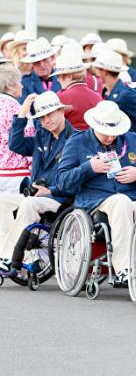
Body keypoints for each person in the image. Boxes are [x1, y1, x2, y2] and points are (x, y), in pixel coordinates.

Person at [56, 100, 136, 283]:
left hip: (132, 196)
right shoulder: (77, 142)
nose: (110, 138)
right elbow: (62, 182)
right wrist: (88, 167)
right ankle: (124, 267)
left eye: (114, 133)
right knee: (120, 201)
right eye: (106, 133)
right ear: (95, 125)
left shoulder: (132, 139)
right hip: (95, 201)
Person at [0, 92, 73, 273]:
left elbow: (75, 180)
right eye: (41, 117)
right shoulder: (42, 135)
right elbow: (15, 144)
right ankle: (6, 252)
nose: (46, 120)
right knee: (2, 201)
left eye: (49, 114)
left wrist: (50, 190)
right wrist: (23, 112)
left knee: (29, 203)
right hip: (35, 196)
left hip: (59, 198)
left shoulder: (76, 139)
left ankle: (9, 257)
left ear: (61, 111)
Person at [91, 50, 136, 137]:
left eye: (98, 69)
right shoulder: (106, 92)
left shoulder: (126, 94)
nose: (96, 74)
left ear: (104, 71)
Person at [0, 65, 33, 193]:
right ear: (9, 85)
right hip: (16, 175)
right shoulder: (19, 110)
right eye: (19, 82)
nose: (22, 86)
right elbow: (28, 143)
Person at [54, 53, 102, 130]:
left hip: (68, 141)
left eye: (58, 76)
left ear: (69, 76)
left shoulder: (60, 97)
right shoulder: (97, 96)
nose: (57, 80)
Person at [19, 37, 61, 101]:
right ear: (32, 63)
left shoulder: (63, 78)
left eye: (44, 60)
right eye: (37, 62)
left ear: (52, 58)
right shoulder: (25, 83)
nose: (41, 65)